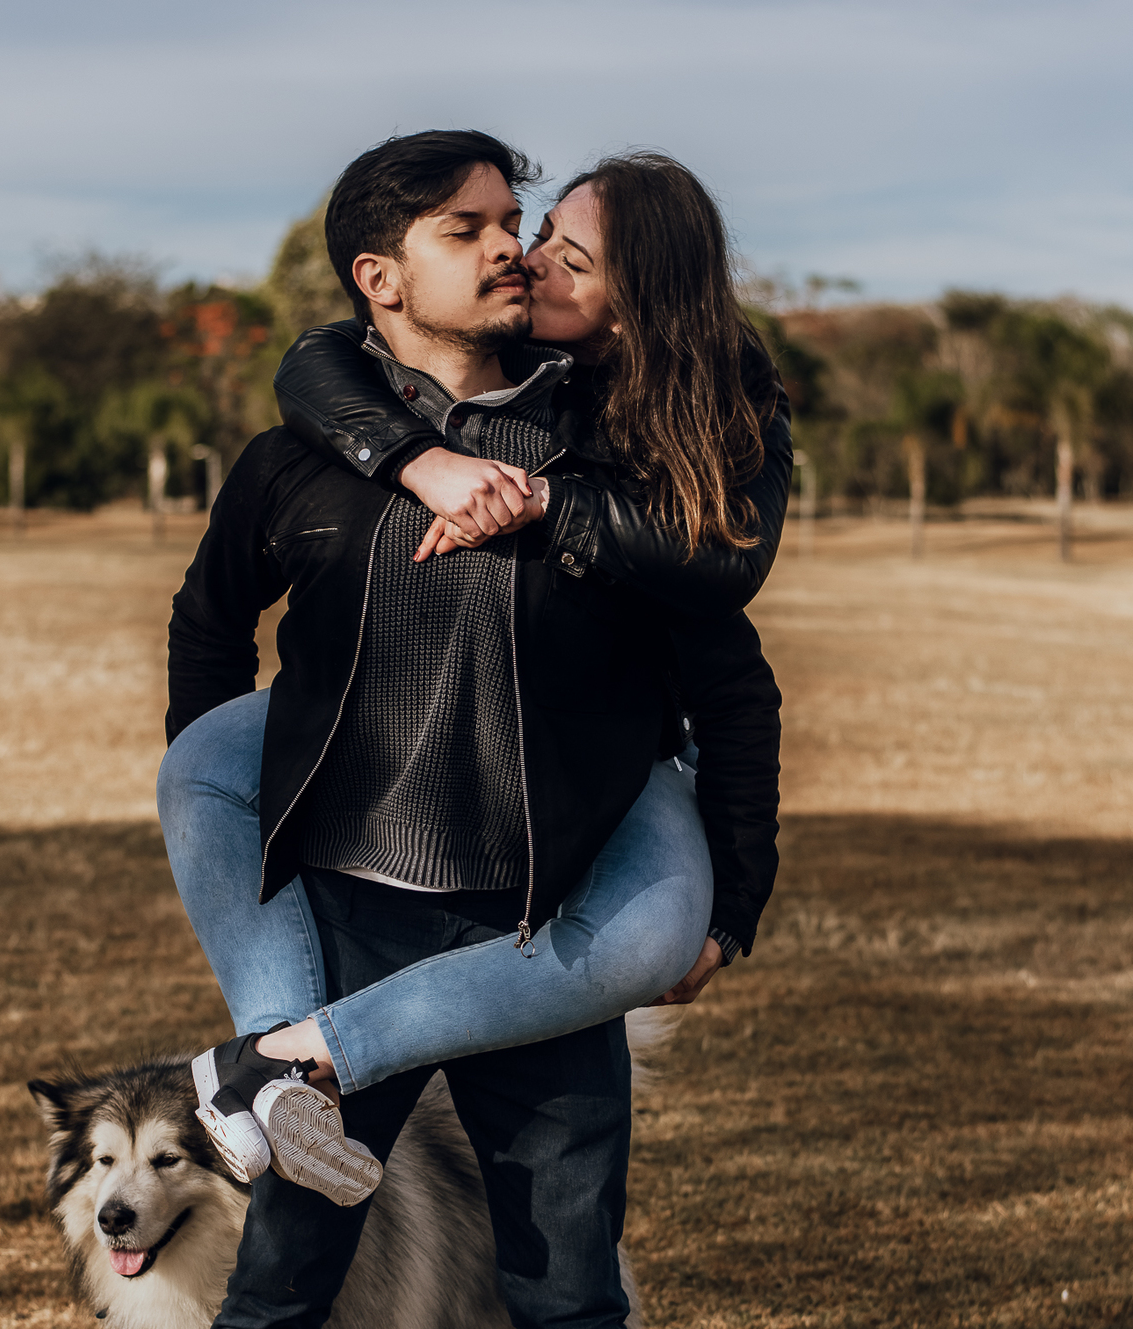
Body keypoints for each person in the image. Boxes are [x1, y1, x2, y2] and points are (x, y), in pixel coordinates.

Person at [70, 131, 784, 1329]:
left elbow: (732, 676)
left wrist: (730, 893)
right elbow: (207, 629)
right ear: (382, 278)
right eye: (475, 229)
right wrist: (247, 833)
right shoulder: (302, 456)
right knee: (279, 1293)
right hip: (342, 927)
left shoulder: (607, 434)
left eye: (521, 225)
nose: (515, 248)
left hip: (541, 946)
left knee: (570, 1304)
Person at [159, 150, 792, 1206]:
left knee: (655, 937)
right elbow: (315, 362)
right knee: (201, 765)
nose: (524, 257)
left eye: (563, 255)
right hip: (400, 814)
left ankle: (284, 1059)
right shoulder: (363, 397)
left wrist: (544, 507)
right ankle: (271, 1068)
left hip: (608, 764)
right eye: (529, 231)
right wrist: (422, 461)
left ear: (631, 316)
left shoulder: (661, 427)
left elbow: (727, 594)